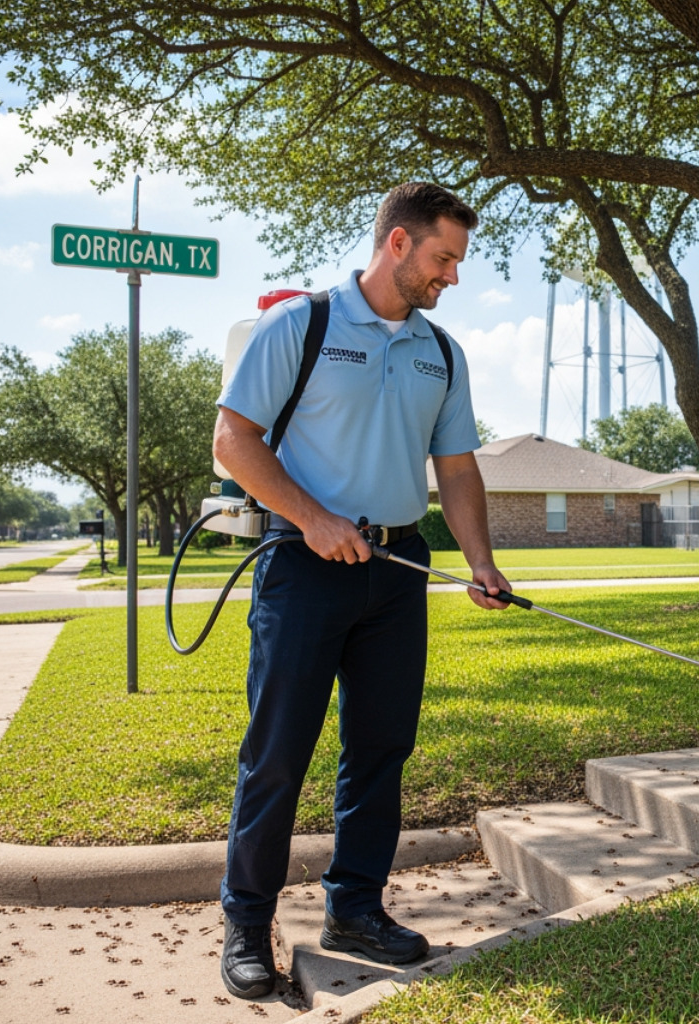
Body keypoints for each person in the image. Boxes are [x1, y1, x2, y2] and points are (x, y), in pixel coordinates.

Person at [212, 182, 511, 1000]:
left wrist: (481, 561)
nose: (452, 275)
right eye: (444, 257)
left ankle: (355, 908)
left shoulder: (440, 352)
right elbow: (233, 440)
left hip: (397, 569)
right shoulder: (299, 324)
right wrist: (311, 519)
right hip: (303, 566)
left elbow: (456, 469)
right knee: (277, 754)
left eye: (458, 260)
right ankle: (246, 923)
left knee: (380, 748)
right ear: (398, 244)